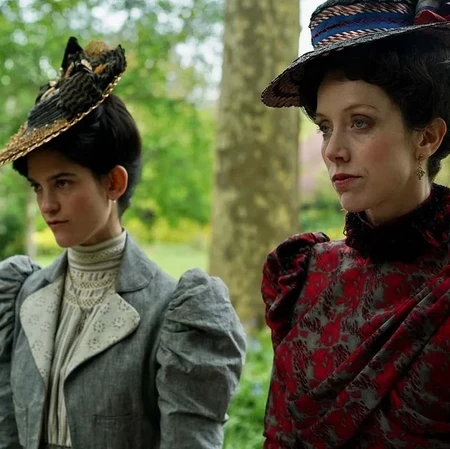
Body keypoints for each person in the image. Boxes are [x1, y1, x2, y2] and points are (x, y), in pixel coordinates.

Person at [0, 37, 246, 449]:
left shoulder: (174, 313)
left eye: (63, 183)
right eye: (38, 187)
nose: (47, 204)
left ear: (113, 182)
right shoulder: (20, 294)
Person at [260, 1, 450, 448]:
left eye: (360, 122)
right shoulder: (302, 274)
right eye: (326, 127)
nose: (333, 150)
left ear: (427, 137)